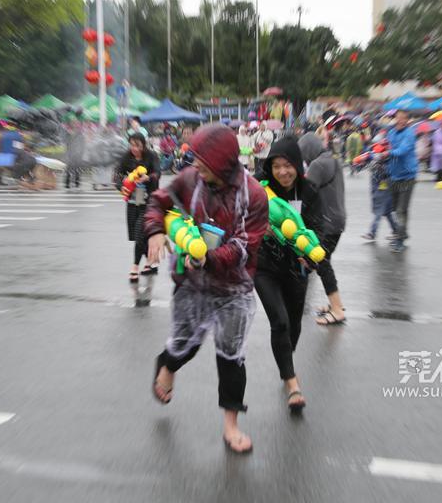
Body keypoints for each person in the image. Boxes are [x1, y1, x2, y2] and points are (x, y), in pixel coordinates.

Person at [145, 124, 269, 454]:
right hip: (191, 285)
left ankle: (231, 425)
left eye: (202, 160)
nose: (195, 164)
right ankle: (168, 365)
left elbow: (246, 247)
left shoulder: (253, 194)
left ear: (223, 162)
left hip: (234, 290)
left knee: (231, 357)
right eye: (194, 158)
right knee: (185, 344)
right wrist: (155, 231)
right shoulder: (189, 179)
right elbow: (158, 202)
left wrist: (208, 258)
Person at [254, 138, 323, 411]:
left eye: (288, 166)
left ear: (298, 166)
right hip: (264, 266)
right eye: (277, 166)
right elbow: (242, 216)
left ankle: (285, 360)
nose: (283, 172)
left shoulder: (310, 191)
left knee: (293, 326)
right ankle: (291, 382)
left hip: (297, 269)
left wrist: (312, 258)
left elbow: (318, 229)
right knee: (280, 322)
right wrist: (263, 228)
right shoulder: (260, 188)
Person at [297, 132, 347, 327]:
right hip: (337, 220)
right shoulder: (332, 159)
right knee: (322, 262)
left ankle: (337, 310)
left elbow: (304, 195)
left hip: (325, 223)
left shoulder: (317, 165)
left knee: (321, 262)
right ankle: (334, 304)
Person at [116, 133, 160, 282]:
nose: (135, 148)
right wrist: (121, 186)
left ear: (143, 145)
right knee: (137, 234)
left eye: (138, 146)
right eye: (132, 145)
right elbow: (117, 174)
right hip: (132, 200)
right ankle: (151, 262)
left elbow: (158, 173)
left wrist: (149, 178)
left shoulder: (151, 156)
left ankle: (135, 267)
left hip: (148, 199)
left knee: (140, 232)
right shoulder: (126, 157)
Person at [386, 110, 418, 253]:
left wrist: (388, 153)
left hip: (407, 176)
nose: (400, 120)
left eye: (403, 118)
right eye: (398, 118)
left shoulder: (409, 134)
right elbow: (387, 146)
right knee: (393, 208)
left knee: (401, 210)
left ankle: (400, 239)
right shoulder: (391, 133)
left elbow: (402, 150)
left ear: (407, 120)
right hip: (393, 176)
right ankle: (402, 232)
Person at [360, 132, 400, 243]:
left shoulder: (389, 161)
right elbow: (367, 162)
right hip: (378, 189)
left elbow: (388, 172)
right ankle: (396, 230)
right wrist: (363, 161)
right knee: (387, 213)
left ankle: (372, 233)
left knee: (379, 212)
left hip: (385, 189)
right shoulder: (375, 158)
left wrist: (379, 166)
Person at [65, 123, 85, 189]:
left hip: (76, 155)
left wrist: (81, 153)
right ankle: (69, 183)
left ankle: (75, 182)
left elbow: (82, 145)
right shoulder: (69, 135)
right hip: (72, 154)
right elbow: (67, 145)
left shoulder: (79, 135)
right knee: (70, 169)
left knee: (75, 169)